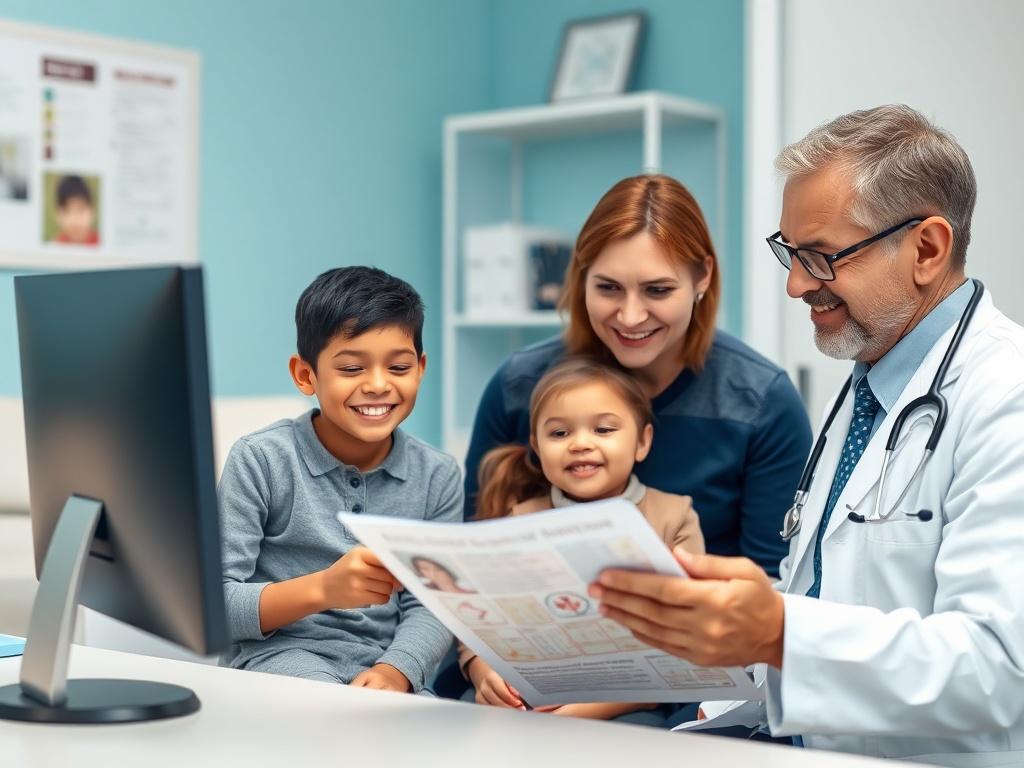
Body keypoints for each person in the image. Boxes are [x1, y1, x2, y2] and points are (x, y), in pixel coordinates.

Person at [590, 105, 1024, 765]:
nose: (795, 285)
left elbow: (998, 671)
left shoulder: (1006, 394)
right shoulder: (871, 383)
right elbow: (821, 598)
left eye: (821, 258)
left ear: (927, 249)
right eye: (791, 254)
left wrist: (779, 631)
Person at [464, 174, 811, 579]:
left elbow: (773, 583)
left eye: (658, 290)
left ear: (703, 277)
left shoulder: (762, 403)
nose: (630, 317)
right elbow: (468, 557)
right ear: (581, 275)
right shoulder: (518, 387)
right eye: (608, 288)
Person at [219, 266, 462, 693]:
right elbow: (216, 604)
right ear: (305, 375)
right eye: (351, 368)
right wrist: (323, 589)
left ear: (421, 368)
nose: (378, 385)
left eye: (399, 367)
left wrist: (397, 671)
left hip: (383, 669)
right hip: (278, 656)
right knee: (337, 723)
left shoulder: (438, 476)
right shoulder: (261, 459)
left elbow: (434, 603)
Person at [460, 358, 704, 721]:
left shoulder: (673, 516)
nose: (580, 444)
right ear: (537, 446)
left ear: (642, 441)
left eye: (604, 430)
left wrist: (591, 709)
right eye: (559, 434)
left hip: (633, 701)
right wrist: (483, 673)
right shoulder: (520, 520)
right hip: (526, 695)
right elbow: (473, 617)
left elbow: (689, 636)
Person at [53, 175, 99, 245]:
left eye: (80, 210)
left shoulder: (101, 242)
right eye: (67, 211)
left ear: (92, 210)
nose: (74, 218)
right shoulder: (56, 245)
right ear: (58, 214)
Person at [410, 556, 476, 593]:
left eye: (438, 569)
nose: (433, 573)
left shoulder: (471, 591)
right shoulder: (422, 590)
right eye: (425, 569)